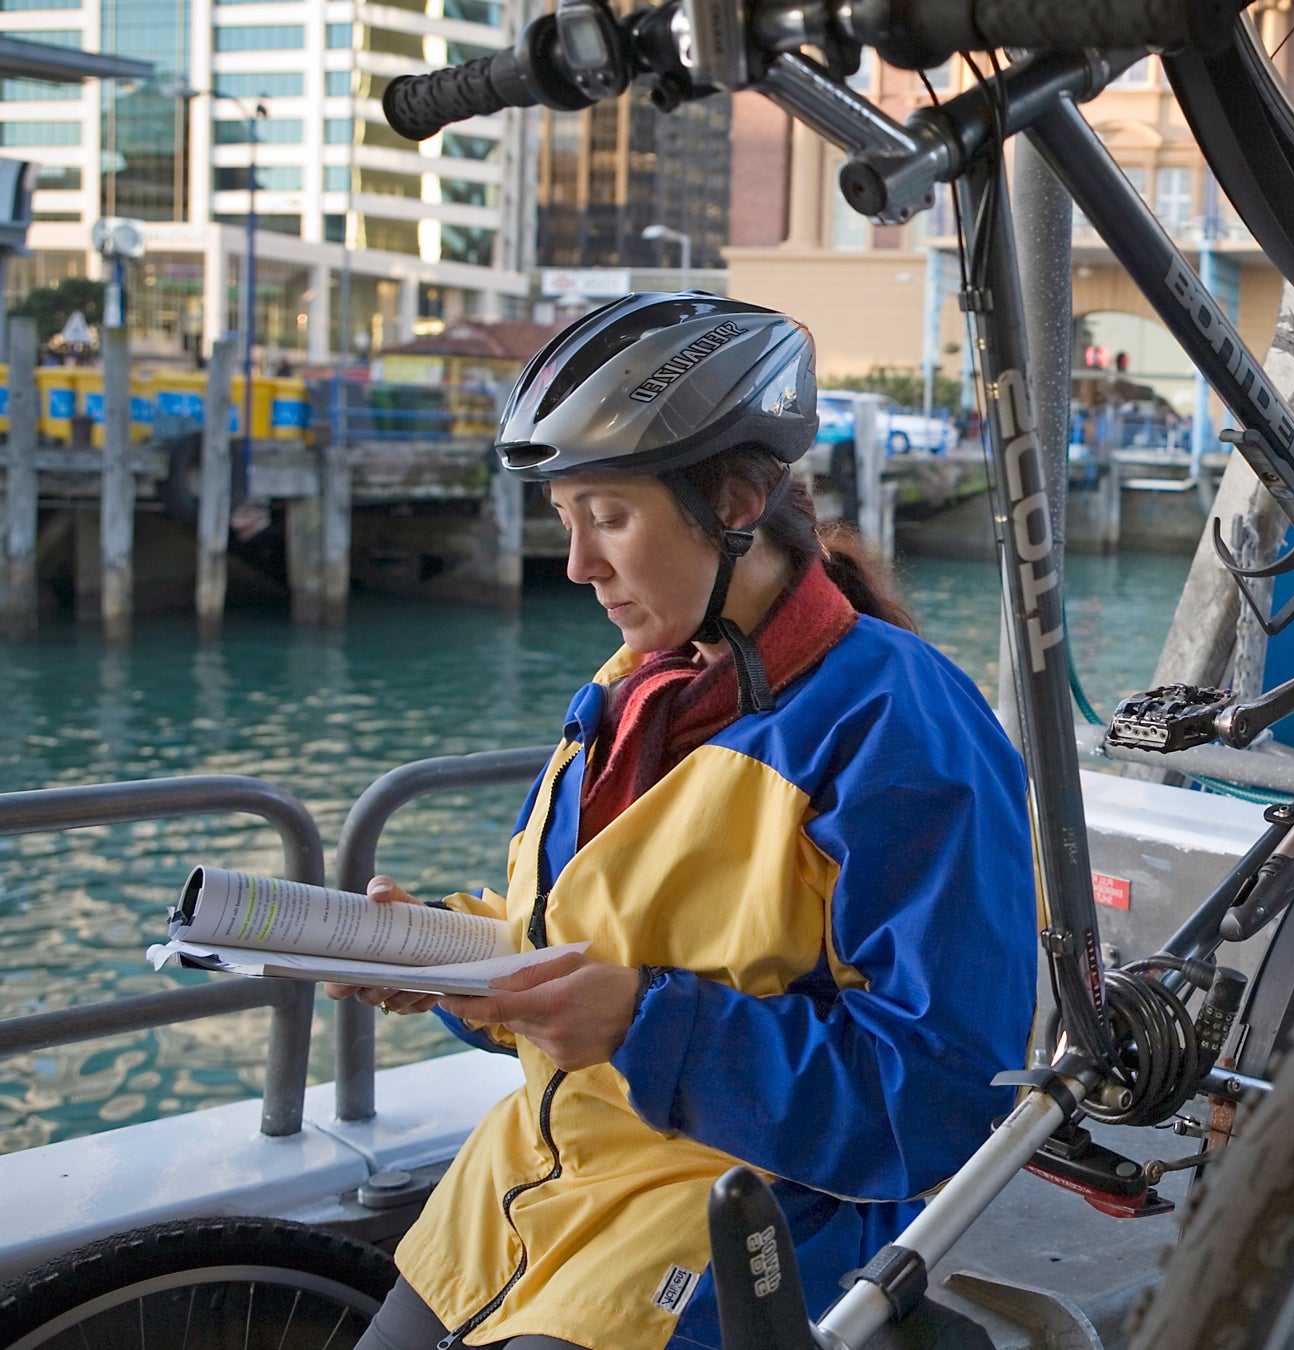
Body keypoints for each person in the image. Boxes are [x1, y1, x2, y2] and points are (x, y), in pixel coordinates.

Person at [331, 292, 1038, 1350]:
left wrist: (642, 1024)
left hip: (741, 1216)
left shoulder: (901, 727)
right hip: (529, 1184)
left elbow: (944, 1096)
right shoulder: (633, 687)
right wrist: (429, 954)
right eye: (564, 520)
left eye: (608, 517)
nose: (578, 566)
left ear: (738, 501)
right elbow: (583, 937)